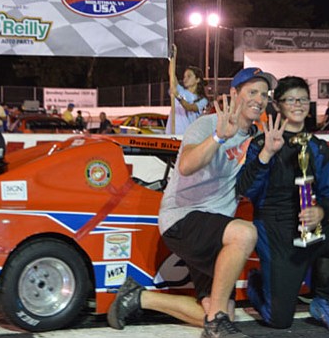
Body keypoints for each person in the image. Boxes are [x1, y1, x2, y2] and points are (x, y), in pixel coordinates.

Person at [107, 67, 274, 338]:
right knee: (245, 233)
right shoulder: (208, 125)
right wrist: (219, 137)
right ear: (234, 94)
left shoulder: (256, 139)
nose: (259, 99)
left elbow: (249, 182)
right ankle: (217, 324)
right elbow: (185, 166)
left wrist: (267, 153)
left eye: (264, 94)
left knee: (217, 312)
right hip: (184, 218)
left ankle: (138, 298)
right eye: (252, 92)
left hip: (216, 228)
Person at [235, 76, 329, 334]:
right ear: (277, 106)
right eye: (290, 99)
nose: (298, 104)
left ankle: (326, 301)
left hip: (312, 229)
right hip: (275, 231)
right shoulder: (261, 144)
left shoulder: (318, 147)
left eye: (302, 99)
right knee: (279, 321)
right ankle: (257, 285)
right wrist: (267, 154)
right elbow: (246, 190)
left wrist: (321, 211)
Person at [165, 44, 209, 135]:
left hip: (186, 137)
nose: (185, 79)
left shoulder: (202, 100)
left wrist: (178, 96)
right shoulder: (180, 90)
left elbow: (190, 107)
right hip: (171, 134)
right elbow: (172, 74)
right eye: (184, 76)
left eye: (189, 76)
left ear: (197, 80)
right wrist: (173, 56)